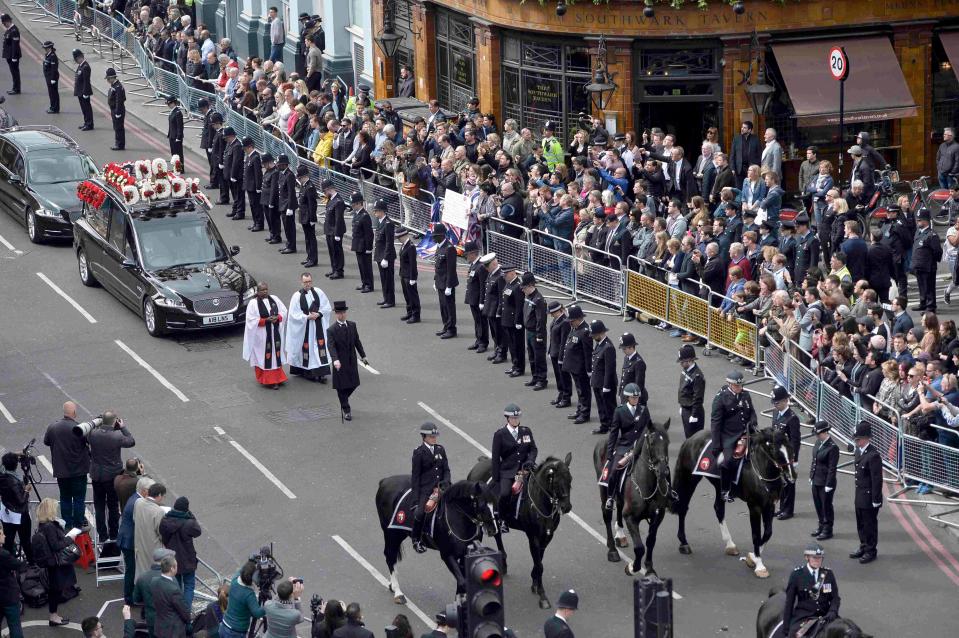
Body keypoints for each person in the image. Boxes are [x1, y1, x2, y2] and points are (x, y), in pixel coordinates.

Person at [88, 411, 135, 547]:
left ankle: (102, 535)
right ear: (115, 422)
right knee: (113, 506)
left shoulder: (93, 434)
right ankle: (114, 534)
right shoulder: (117, 435)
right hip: (113, 476)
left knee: (99, 505)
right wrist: (123, 427)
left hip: (97, 475)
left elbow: (86, 435)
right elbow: (131, 441)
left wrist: (96, 422)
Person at [710, 370, 758, 502]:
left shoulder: (745, 395)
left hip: (746, 432)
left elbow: (752, 412)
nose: (740, 388)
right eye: (737, 386)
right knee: (728, 462)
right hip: (729, 435)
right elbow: (716, 423)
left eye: (741, 385)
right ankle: (725, 490)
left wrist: (753, 421)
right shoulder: (721, 399)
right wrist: (716, 445)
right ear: (729, 384)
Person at [491, 403, 537, 533]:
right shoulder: (500, 434)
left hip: (526, 469)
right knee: (505, 494)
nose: (516, 420)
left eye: (517, 418)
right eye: (513, 418)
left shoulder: (526, 431)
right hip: (508, 471)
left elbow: (533, 449)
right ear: (507, 418)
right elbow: (495, 458)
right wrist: (496, 479)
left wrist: (530, 461)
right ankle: (502, 520)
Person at [603, 384, 650, 510]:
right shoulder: (619, 411)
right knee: (614, 471)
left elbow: (648, 428)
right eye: (633, 398)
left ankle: (667, 492)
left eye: (637, 398)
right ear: (628, 398)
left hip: (641, 446)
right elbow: (613, 433)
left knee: (660, 466)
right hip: (624, 447)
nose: (636, 400)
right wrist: (609, 453)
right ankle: (610, 497)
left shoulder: (644, 410)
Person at [44, 402, 89, 531]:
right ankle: (78, 524)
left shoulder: (53, 427)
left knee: (65, 498)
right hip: (79, 472)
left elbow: (46, 441)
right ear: (74, 413)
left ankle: (67, 525)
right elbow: (88, 442)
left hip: (61, 472)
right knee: (79, 499)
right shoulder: (79, 428)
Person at [31, 498, 76, 627]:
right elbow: (56, 545)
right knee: (55, 590)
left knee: (54, 589)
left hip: (51, 562)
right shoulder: (50, 526)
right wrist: (69, 539)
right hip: (55, 563)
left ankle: (54, 615)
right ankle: (53, 616)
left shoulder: (43, 524)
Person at [782, 543, 841, 637]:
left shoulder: (828, 574)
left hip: (826, 615)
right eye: (814, 558)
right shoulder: (797, 575)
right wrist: (786, 628)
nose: (818, 561)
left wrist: (833, 611)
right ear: (807, 557)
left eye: (820, 558)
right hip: (804, 617)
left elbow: (835, 598)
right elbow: (789, 603)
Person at [410, 422, 451, 553]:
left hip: (442, 487)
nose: (434, 438)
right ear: (424, 437)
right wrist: (415, 500)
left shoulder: (440, 449)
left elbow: (446, 469)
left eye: (435, 436)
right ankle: (416, 540)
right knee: (420, 513)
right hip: (426, 490)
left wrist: (445, 483)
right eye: (431, 437)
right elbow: (415, 477)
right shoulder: (419, 452)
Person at [285, 272, 331, 383]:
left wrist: (318, 314)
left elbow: (327, 307)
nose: (308, 284)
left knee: (319, 348)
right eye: (305, 282)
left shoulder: (318, 292)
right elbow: (293, 314)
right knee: (308, 349)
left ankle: (321, 373)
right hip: (305, 328)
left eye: (309, 281)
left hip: (318, 326)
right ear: (301, 282)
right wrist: (306, 317)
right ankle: (308, 373)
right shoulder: (296, 296)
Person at [327, 300, 368, 422]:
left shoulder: (352, 325)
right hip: (339, 363)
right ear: (336, 314)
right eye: (339, 313)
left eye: (343, 312)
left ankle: (343, 399)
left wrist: (363, 356)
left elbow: (357, 341)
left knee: (354, 383)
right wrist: (335, 360)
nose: (342, 315)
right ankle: (346, 409)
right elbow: (331, 347)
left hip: (351, 360)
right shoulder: (331, 330)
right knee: (341, 387)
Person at [242, 282, 288, 389]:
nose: (265, 291)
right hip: (262, 336)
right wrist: (265, 320)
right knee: (266, 357)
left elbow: (284, 311)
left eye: (266, 289)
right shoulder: (253, 303)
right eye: (262, 290)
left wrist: (278, 317)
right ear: (258, 292)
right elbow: (250, 320)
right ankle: (270, 380)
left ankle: (278, 378)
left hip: (275, 333)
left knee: (275, 355)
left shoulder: (274, 299)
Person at [158, 497, 201, 609]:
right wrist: (191, 515)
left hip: (171, 557)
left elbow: (162, 535)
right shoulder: (189, 523)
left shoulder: (165, 520)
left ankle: (177, 608)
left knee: (175, 585)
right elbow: (198, 532)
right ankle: (186, 610)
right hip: (187, 558)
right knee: (189, 585)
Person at [851, 421, 882, 563]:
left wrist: (876, 499)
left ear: (866, 438)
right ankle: (863, 546)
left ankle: (871, 550)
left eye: (858, 439)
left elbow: (877, 479)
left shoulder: (873, 455)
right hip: (860, 495)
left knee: (869, 525)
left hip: (869, 497)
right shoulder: (859, 451)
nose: (856, 442)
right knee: (861, 524)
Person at [770, 386, 801, 520]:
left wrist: (793, 459)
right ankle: (782, 508)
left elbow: (795, 441)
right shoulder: (776, 413)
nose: (775, 405)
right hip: (778, 455)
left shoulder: (792, 418)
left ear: (785, 401)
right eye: (774, 403)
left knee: (789, 484)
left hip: (787, 457)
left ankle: (788, 510)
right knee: (781, 483)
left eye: (777, 403)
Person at [220, 560, 266, 638]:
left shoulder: (235, 580)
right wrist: (269, 605)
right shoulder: (249, 594)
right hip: (236, 633)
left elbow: (241, 570)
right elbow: (257, 613)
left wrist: (251, 560)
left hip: (224, 626)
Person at [809, 420, 839, 541]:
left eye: (819, 433)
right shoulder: (818, 442)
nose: (817, 436)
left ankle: (827, 529)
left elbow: (832, 468)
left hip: (825, 482)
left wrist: (829, 484)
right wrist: (811, 476)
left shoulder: (833, 447)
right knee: (818, 505)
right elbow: (814, 460)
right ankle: (821, 525)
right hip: (816, 479)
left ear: (825, 432)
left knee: (826, 506)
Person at [0, 452, 32, 564]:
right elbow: (21, 501)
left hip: (6, 513)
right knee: (26, 541)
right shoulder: (14, 481)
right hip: (20, 515)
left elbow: (3, 463)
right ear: (16, 465)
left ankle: (9, 565)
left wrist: (13, 454)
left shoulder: (2, 476)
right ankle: (32, 564)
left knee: (8, 541)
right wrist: (27, 491)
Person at [563, 305, 592, 423]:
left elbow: (588, 352)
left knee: (584, 391)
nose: (570, 323)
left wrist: (588, 369)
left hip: (581, 368)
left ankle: (585, 413)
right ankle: (580, 410)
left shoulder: (585, 331)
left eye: (572, 321)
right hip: (574, 366)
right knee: (579, 390)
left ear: (578, 319)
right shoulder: (575, 328)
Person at [521, 272, 549, 391]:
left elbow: (541, 320)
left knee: (539, 358)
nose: (523, 290)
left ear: (530, 285)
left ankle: (542, 380)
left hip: (536, 333)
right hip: (529, 331)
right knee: (532, 356)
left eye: (524, 287)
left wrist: (539, 334)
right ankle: (535, 377)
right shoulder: (528, 297)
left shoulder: (539, 300)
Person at [151, 555, 190, 638]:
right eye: (176, 566)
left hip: (159, 627)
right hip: (173, 631)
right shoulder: (174, 590)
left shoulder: (154, 581)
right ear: (172, 568)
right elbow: (184, 611)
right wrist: (188, 620)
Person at [589, 320, 617, 435]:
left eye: (594, 335)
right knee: (601, 407)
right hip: (597, 382)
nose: (593, 337)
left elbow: (609, 369)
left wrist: (606, 386)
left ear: (600, 333)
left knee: (609, 408)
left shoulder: (608, 347)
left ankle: (613, 429)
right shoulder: (600, 344)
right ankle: (604, 426)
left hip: (605, 384)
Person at [912, 208, 942, 313]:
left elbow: (938, 251)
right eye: (917, 219)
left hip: (928, 266)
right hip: (919, 265)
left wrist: (932, 262)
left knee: (929, 288)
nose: (917, 221)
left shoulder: (932, 235)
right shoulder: (918, 232)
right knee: (922, 286)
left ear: (926, 221)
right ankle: (923, 303)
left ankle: (931, 307)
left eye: (919, 220)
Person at [134, 482, 166, 578]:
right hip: (153, 548)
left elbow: (134, 518)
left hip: (139, 545)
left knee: (141, 574)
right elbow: (161, 533)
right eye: (163, 496)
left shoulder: (138, 502)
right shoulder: (159, 511)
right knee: (154, 576)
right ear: (159, 495)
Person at [433, 224, 459, 338]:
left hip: (447, 283)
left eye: (435, 236)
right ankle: (446, 326)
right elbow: (437, 266)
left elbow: (451, 269)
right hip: (440, 281)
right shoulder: (439, 246)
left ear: (442, 235)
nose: (433, 238)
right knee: (443, 306)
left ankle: (451, 329)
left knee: (449, 307)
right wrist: (435, 280)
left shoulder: (449, 248)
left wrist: (449, 286)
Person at [677, 345, 706, 439]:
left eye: (682, 361)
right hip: (685, 409)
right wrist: (682, 406)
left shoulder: (697, 376)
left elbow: (698, 397)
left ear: (689, 360)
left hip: (693, 411)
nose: (680, 364)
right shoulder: (686, 370)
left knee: (694, 440)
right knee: (687, 437)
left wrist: (694, 415)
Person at [464, 241, 488, 352]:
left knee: (482, 322)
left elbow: (483, 285)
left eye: (467, 254)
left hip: (478, 299)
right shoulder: (474, 265)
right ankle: (478, 340)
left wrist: (482, 301)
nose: (466, 257)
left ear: (473, 253)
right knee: (477, 321)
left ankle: (483, 342)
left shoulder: (481, 266)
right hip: (473, 298)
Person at [372, 200, 396, 307]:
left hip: (386, 256)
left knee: (388, 280)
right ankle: (386, 298)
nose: (375, 213)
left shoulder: (388, 224)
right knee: (383, 279)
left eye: (376, 210)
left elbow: (389, 242)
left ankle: (390, 300)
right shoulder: (380, 222)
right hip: (379, 255)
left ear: (382, 211)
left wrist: (386, 258)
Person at [548, 302, 572, 409]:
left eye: (553, 312)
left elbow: (563, 341)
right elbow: (552, 337)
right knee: (558, 376)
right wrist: (550, 350)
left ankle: (566, 397)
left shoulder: (565, 322)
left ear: (559, 311)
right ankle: (561, 394)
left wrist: (561, 357)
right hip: (554, 352)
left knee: (564, 376)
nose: (551, 315)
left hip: (560, 354)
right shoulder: (556, 320)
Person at [0, 527, 23, 638]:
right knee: (15, 626)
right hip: (8, 596)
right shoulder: (3, 554)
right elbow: (19, 565)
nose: (4, 536)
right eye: (1, 534)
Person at [322, 180, 347, 279]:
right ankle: (334, 269)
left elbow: (338, 219)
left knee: (337, 251)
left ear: (328, 189)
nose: (324, 193)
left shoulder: (338, 201)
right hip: (329, 229)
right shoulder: (331, 199)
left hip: (335, 230)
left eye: (324, 191)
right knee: (331, 251)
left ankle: (339, 271)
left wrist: (337, 233)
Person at [350, 192, 375, 292]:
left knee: (366, 267)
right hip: (357, 245)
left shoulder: (365, 216)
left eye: (353, 204)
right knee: (361, 266)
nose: (352, 205)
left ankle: (369, 285)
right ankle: (364, 283)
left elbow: (369, 234)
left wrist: (369, 248)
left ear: (359, 203)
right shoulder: (357, 214)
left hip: (364, 246)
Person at [294, 166, 318, 266]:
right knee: (307, 238)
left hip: (308, 216)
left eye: (299, 178)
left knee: (311, 238)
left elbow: (312, 205)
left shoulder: (310, 187)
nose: (299, 180)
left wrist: (312, 218)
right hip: (304, 216)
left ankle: (313, 259)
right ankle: (309, 257)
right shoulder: (304, 186)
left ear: (304, 176)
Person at [397, 227, 420, 323]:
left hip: (409, 276)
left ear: (404, 236)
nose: (398, 239)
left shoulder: (410, 246)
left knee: (413, 296)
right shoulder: (404, 245)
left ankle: (416, 315)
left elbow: (413, 264)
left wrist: (413, 278)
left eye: (399, 237)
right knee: (407, 296)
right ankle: (409, 312)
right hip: (404, 274)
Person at [617, 333, 647, 405]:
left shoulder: (639, 363)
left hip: (632, 399)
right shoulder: (627, 358)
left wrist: (634, 402)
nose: (623, 351)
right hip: (625, 396)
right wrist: (620, 393)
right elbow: (623, 377)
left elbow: (639, 384)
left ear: (631, 347)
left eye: (624, 348)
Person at [241, 138, 264, 232]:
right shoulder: (249, 156)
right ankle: (255, 222)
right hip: (249, 186)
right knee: (252, 205)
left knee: (257, 206)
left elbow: (258, 174)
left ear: (250, 146)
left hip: (254, 187)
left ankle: (259, 224)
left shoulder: (255, 157)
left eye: (245, 149)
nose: (245, 150)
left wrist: (258, 187)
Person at [276, 155, 298, 253]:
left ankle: (292, 246)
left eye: (279, 164)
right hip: (282, 204)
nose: (278, 166)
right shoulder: (282, 174)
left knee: (290, 227)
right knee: (286, 226)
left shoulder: (290, 175)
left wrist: (290, 207)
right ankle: (288, 244)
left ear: (284, 165)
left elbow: (291, 193)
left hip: (288, 205)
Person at [221, 127, 242, 213]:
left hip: (235, 176)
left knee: (238, 195)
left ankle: (239, 212)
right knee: (234, 194)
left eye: (226, 138)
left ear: (231, 136)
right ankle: (235, 210)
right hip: (229, 174)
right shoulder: (230, 144)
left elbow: (235, 162)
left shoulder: (237, 145)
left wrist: (233, 175)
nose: (225, 140)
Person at [72, 48, 93, 130]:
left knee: (87, 109)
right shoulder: (81, 66)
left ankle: (89, 124)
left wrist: (85, 93)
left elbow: (86, 81)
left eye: (76, 59)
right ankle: (86, 122)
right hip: (80, 92)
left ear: (80, 57)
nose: (76, 61)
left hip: (84, 92)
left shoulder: (85, 67)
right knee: (84, 109)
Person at [105, 68, 126, 150]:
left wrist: (118, 112)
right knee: (116, 127)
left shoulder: (117, 87)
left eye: (108, 78)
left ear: (111, 77)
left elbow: (119, 100)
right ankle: (118, 143)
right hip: (114, 109)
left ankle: (120, 144)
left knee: (118, 127)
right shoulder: (114, 86)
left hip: (118, 110)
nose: (107, 80)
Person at [1, 15, 20, 95]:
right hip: (9, 56)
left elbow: (15, 45)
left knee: (15, 73)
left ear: (7, 21)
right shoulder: (9, 30)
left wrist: (14, 57)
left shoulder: (14, 31)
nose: (3, 24)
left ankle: (16, 89)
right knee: (13, 73)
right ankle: (14, 88)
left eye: (4, 22)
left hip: (13, 56)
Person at [42, 40, 59, 113]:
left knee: (53, 94)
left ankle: (55, 108)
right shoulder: (47, 55)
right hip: (48, 77)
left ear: (50, 48)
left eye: (46, 48)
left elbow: (54, 69)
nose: (45, 49)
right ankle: (52, 106)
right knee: (51, 93)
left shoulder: (52, 56)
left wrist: (53, 79)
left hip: (52, 78)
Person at [165, 95, 183, 159]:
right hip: (172, 136)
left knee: (178, 156)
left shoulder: (178, 112)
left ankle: (180, 169)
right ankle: (175, 168)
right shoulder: (172, 112)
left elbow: (180, 126)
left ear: (173, 103)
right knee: (173, 155)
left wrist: (178, 137)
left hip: (176, 138)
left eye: (169, 103)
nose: (168, 105)